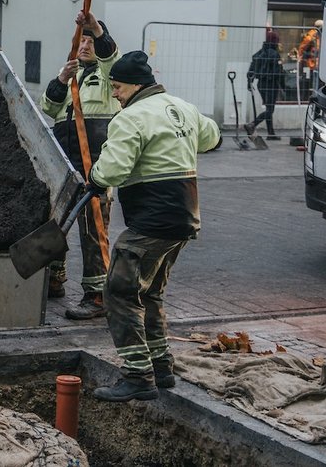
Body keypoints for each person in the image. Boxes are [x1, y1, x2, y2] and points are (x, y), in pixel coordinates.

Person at [86, 51, 220, 402]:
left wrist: (94, 177)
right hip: (184, 218)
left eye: (117, 87)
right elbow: (213, 138)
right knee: (149, 292)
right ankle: (161, 367)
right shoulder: (183, 107)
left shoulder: (129, 118)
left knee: (118, 292)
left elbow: (112, 171)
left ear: (134, 85)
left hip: (151, 220)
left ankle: (137, 376)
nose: (114, 94)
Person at [39, 10, 120, 320]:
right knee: (55, 222)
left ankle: (98, 296)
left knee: (93, 228)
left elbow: (110, 54)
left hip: (95, 166)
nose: (85, 45)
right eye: (81, 41)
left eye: (90, 41)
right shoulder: (71, 73)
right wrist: (61, 79)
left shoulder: (109, 75)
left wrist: (96, 28)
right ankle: (55, 278)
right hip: (66, 166)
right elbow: (49, 107)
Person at [244, 30, 282, 141]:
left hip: (261, 84)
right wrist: (282, 84)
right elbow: (277, 72)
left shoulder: (259, 53)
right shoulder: (275, 54)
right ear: (275, 41)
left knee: (268, 108)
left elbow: (251, 70)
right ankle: (253, 124)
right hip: (271, 84)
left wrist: (249, 82)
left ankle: (271, 133)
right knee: (270, 110)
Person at [297, 19, 321, 93]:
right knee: (309, 82)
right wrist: (300, 59)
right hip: (310, 64)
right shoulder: (310, 37)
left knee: (316, 83)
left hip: (317, 64)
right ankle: (307, 96)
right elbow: (301, 49)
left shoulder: (320, 36)